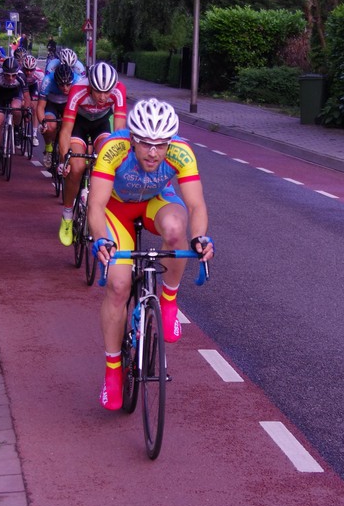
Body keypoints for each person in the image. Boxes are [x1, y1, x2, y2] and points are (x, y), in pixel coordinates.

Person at [88, 98, 213, 410]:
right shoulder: (114, 148)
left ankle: (168, 300)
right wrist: (102, 239)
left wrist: (200, 238)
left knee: (176, 229)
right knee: (118, 286)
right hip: (116, 209)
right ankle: (113, 370)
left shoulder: (181, 151)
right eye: (145, 143)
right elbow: (96, 205)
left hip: (156, 202)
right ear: (132, 138)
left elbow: (196, 204)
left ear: (170, 141)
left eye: (160, 145)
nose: (153, 153)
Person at [55, 61, 128, 246]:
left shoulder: (119, 90)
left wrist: (119, 160)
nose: (103, 97)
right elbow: (66, 130)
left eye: (107, 92)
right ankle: (67, 215)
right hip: (79, 124)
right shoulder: (78, 89)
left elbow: (119, 132)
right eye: (98, 92)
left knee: (107, 159)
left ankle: (100, 208)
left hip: (101, 124)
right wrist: (64, 160)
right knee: (77, 167)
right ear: (90, 87)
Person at [35, 63, 79, 168]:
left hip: (68, 104)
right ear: (56, 82)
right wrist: (43, 123)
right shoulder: (47, 81)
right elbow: (40, 107)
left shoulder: (78, 81)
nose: (65, 88)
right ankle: (48, 149)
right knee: (50, 126)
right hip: (52, 104)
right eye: (61, 85)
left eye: (68, 85)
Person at [0, 57, 27, 170]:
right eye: (7, 75)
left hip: (15, 94)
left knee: (16, 109)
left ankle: (17, 129)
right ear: (3, 72)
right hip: (1, 95)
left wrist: (26, 109)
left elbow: (27, 96)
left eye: (13, 75)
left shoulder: (21, 76)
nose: (10, 78)